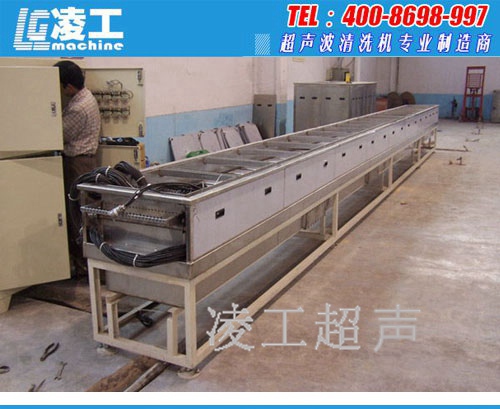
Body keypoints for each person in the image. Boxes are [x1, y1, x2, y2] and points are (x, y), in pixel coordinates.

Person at [54, 60, 101, 279]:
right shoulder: (87, 97)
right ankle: (89, 263)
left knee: (77, 214)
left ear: (69, 86)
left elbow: (58, 134)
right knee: (85, 212)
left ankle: (83, 266)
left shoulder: (77, 108)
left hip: (78, 164)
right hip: (86, 162)